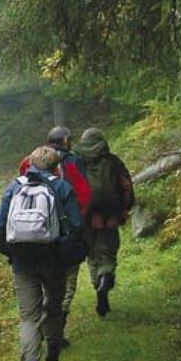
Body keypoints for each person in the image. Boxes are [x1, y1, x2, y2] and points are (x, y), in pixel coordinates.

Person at [0, 145, 86, 361]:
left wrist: (9, 252)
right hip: (53, 262)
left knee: (28, 317)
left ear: (30, 164)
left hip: (22, 262)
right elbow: (77, 226)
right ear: (57, 167)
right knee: (53, 310)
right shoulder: (62, 189)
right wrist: (64, 251)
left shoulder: (14, 187)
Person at [19, 126, 90, 347]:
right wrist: (74, 235)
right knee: (61, 293)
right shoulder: (69, 163)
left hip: (26, 247)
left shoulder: (26, 164)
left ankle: (33, 354)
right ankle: (54, 340)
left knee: (31, 306)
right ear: (65, 140)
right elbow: (84, 196)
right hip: (58, 244)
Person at [75, 126, 135, 317]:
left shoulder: (78, 162)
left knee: (92, 254)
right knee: (108, 251)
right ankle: (106, 277)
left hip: (89, 216)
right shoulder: (113, 161)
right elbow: (126, 185)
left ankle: (98, 284)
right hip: (111, 214)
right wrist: (124, 209)